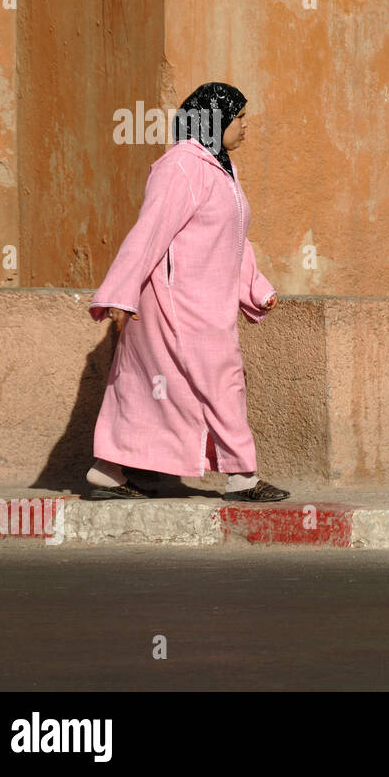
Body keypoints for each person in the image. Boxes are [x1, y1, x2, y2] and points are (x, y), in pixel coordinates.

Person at [84, 82, 289, 503]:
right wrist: (120, 295)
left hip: (206, 302)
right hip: (171, 303)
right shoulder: (181, 165)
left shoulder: (222, 167)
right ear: (214, 119)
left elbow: (233, 238)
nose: (246, 125)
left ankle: (108, 472)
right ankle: (242, 476)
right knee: (222, 380)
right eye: (239, 117)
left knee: (150, 387)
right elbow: (150, 230)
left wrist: (255, 286)